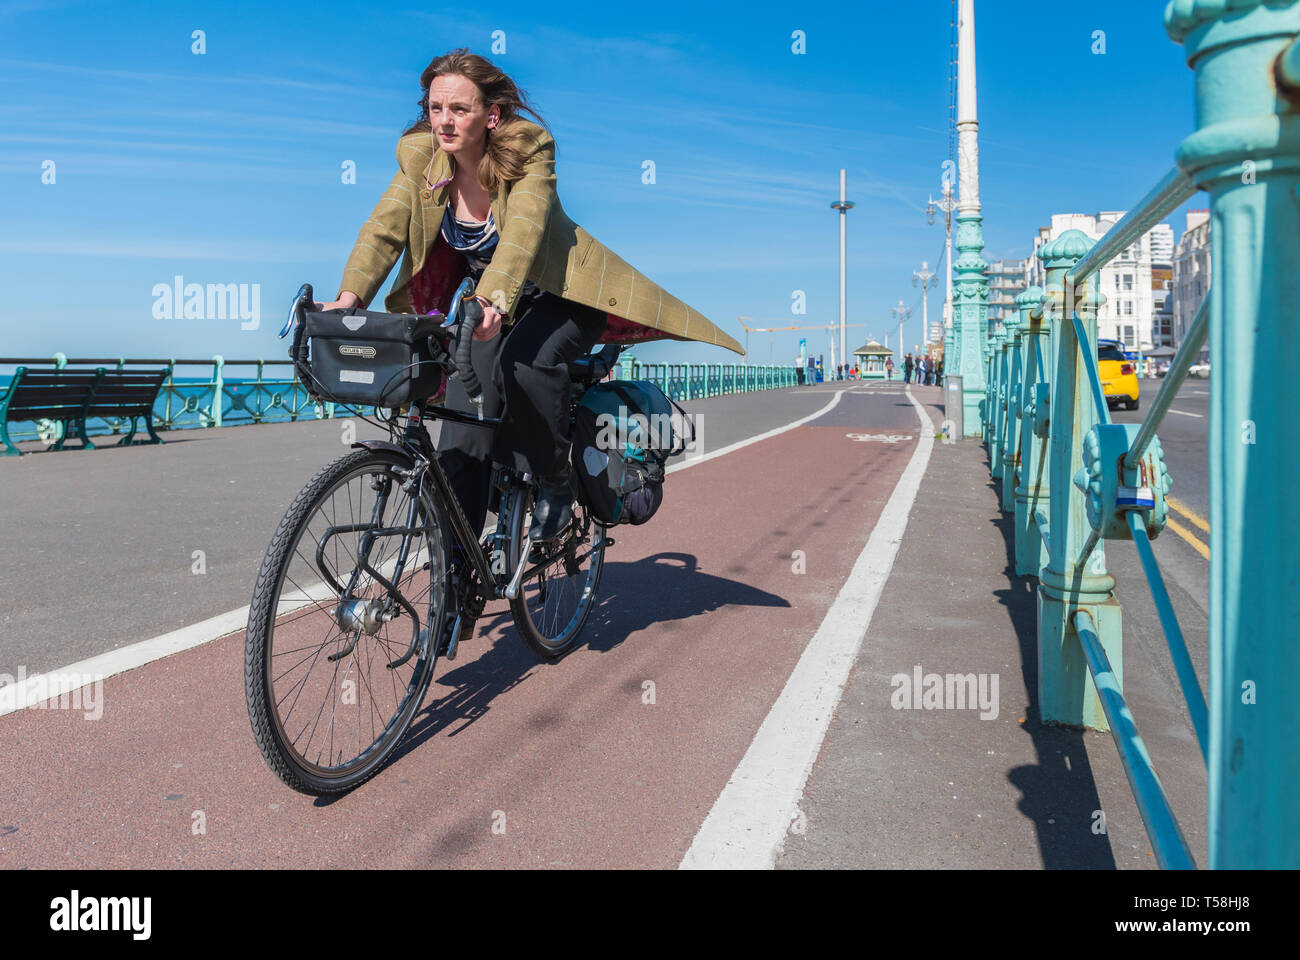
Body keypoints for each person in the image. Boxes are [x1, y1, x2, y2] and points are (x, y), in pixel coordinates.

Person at [322, 49, 741, 553]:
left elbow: (522, 232)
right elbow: (383, 230)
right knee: (464, 419)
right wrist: (347, 300)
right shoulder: (422, 159)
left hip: (564, 294)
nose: (444, 122)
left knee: (526, 363)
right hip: (488, 304)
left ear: (491, 115)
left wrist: (495, 298)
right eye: (436, 109)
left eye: (459, 109)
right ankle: (459, 573)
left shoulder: (528, 148)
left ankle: (556, 482)